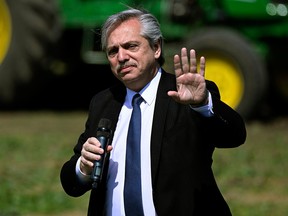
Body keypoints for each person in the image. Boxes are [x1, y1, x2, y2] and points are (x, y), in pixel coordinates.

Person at [60, 8, 246, 216]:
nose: (121, 57)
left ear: (156, 47)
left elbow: (235, 135)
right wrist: (83, 168)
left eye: (131, 46)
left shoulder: (186, 95)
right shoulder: (104, 102)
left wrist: (203, 103)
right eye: (113, 51)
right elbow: (71, 182)